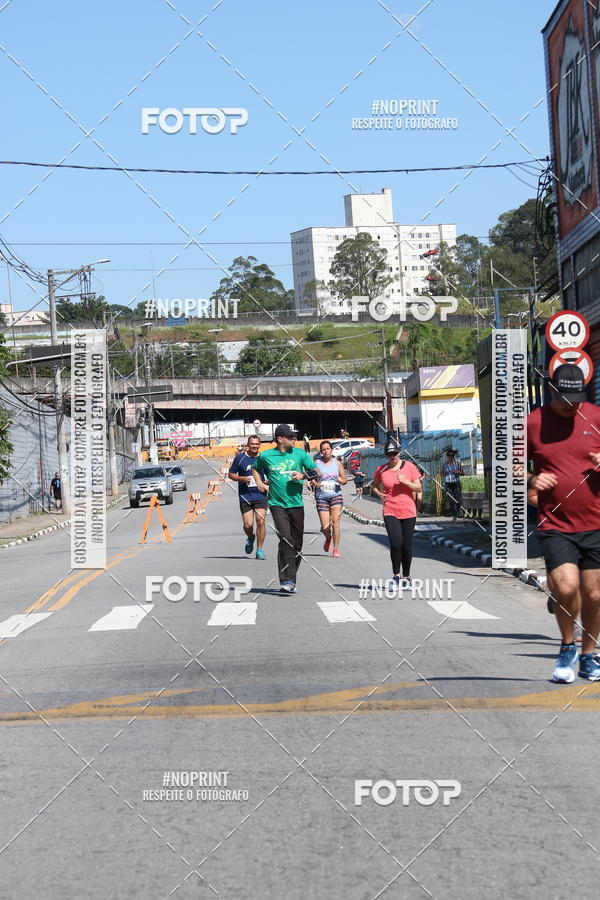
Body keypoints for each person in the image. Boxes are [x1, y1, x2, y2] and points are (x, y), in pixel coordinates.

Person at [527, 363, 600, 682]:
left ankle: (589, 655)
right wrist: (532, 477)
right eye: (566, 399)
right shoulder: (534, 422)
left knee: (595, 595)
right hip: (555, 522)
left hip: (596, 522)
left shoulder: (596, 417)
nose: (572, 405)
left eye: (577, 399)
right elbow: (511, 468)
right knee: (568, 588)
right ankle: (567, 646)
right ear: (553, 392)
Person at [252, 424, 318, 593]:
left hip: (296, 504)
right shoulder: (267, 456)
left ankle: (291, 577)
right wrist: (259, 482)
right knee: (286, 539)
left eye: (294, 436)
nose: (294, 439)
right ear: (280, 439)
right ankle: (287, 579)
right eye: (291, 437)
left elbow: (316, 471)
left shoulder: (300, 454)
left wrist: (303, 475)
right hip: (276, 504)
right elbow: (255, 468)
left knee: (297, 545)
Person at [371, 440, 422, 587]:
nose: (392, 457)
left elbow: (418, 488)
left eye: (395, 453)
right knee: (395, 543)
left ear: (399, 452)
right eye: (389, 454)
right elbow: (373, 486)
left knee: (406, 546)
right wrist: (380, 494)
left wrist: (406, 482)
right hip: (390, 510)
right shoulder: (381, 470)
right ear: (386, 455)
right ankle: (396, 576)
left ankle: (406, 577)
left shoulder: (410, 467)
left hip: (408, 510)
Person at [228, 436, 267, 560]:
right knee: (248, 525)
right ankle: (250, 537)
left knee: (261, 522)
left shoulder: (263, 458)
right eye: (252, 444)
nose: (255, 446)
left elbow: (272, 473)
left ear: (259, 445)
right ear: (248, 444)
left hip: (260, 495)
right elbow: (231, 474)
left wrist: (267, 482)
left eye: (257, 444)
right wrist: (241, 479)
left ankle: (259, 550)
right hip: (245, 496)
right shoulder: (240, 458)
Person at [314, 440, 347, 558]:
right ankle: (328, 538)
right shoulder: (316, 463)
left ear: (331, 449)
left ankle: (336, 548)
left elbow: (345, 480)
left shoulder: (337, 463)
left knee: (336, 522)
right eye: (323, 449)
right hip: (321, 496)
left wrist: (340, 480)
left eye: (328, 448)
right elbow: (311, 478)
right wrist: (316, 484)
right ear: (321, 451)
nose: (326, 451)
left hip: (335, 495)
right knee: (325, 527)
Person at [440, 449, 463, 522]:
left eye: (452, 456)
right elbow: (441, 474)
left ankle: (458, 510)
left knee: (458, 498)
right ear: (447, 456)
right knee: (451, 499)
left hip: (456, 483)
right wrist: (445, 474)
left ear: (454, 456)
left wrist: (457, 472)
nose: (451, 457)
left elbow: (463, 473)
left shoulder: (457, 463)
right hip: (448, 483)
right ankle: (454, 515)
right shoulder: (444, 464)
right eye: (449, 455)